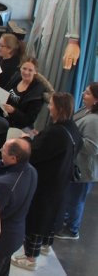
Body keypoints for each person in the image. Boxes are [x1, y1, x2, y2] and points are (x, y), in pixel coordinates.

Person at [12, 92, 82, 271]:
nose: (49, 107)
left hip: (46, 182)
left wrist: (28, 140)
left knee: (38, 217)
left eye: (51, 104)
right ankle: (45, 244)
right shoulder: (72, 127)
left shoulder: (56, 132)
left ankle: (30, 257)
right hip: (61, 181)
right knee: (52, 214)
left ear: (58, 108)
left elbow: (36, 153)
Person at [0, 138, 37, 276]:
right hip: (15, 234)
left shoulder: (4, 186)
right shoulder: (31, 171)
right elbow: (10, 178)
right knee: (2, 269)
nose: (1, 150)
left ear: (14, 158)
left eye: (4, 149)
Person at [58, 82, 98, 240]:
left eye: (87, 93)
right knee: (71, 198)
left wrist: (72, 138)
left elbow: (92, 148)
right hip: (75, 164)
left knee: (76, 200)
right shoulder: (85, 111)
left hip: (83, 170)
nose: (83, 94)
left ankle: (72, 230)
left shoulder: (94, 120)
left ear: (96, 100)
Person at [0, 58, 49, 161]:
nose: (26, 72)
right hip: (5, 117)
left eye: (30, 70)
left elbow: (29, 119)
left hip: (18, 126)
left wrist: (14, 111)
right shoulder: (16, 77)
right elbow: (5, 93)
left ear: (35, 72)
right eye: (24, 68)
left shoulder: (37, 94)